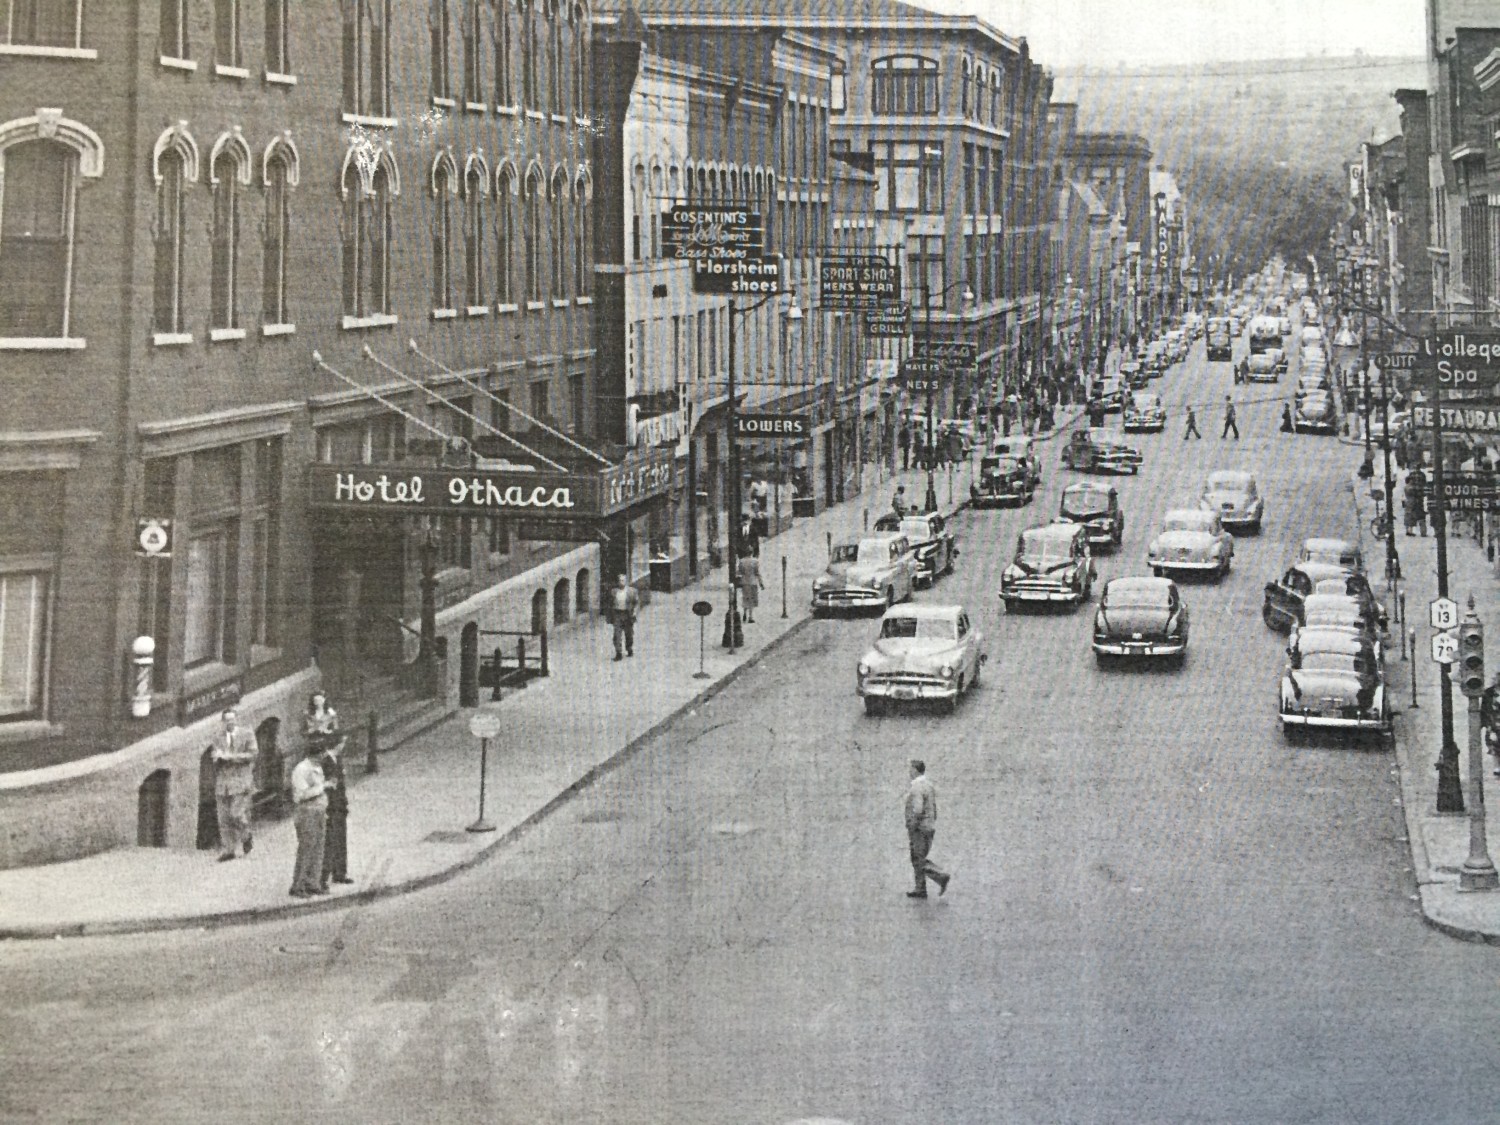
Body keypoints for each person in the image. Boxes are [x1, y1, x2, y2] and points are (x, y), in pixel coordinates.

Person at [211, 709, 257, 862]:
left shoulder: (247, 734)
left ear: (237, 719)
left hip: (240, 780)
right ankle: (228, 849)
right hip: (223, 782)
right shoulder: (218, 738)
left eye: (232, 719)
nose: (230, 722)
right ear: (223, 722)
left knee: (236, 814)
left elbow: (253, 754)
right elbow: (215, 755)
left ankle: (246, 835)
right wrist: (217, 757)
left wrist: (231, 757)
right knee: (223, 818)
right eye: (227, 720)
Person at [903, 759, 950, 899]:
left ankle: (941, 876)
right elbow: (934, 808)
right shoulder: (929, 785)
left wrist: (912, 824)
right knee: (919, 857)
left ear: (915, 770)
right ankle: (920, 889)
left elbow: (918, 809)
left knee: (918, 858)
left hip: (920, 828)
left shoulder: (916, 787)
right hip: (929, 826)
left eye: (910, 769)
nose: (909, 772)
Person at [288, 741, 328, 898]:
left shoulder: (316, 767)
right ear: (315, 755)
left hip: (318, 811)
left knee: (318, 847)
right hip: (306, 812)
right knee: (306, 848)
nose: (324, 757)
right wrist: (323, 787)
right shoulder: (301, 770)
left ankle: (313, 882)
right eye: (322, 754)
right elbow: (300, 795)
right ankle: (297, 885)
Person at [319, 731, 352, 888]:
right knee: (329, 842)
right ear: (337, 744)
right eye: (343, 743)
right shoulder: (325, 761)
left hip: (340, 806)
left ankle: (340, 873)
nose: (344, 746)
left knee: (340, 840)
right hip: (330, 807)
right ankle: (323, 876)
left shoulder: (337, 759)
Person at [610, 573, 641, 661]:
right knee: (617, 634)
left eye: (623, 580)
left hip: (628, 615)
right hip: (617, 614)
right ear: (617, 582)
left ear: (626, 581)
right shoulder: (614, 591)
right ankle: (618, 653)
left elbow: (637, 603)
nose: (621, 582)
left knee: (629, 634)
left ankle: (629, 649)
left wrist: (635, 612)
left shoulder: (632, 591)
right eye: (620, 580)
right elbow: (610, 603)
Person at [735, 553, 764, 624]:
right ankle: (750, 617)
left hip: (744, 582)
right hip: (753, 582)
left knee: (746, 598)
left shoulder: (741, 561)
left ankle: (745, 612)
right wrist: (761, 583)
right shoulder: (755, 561)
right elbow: (757, 573)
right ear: (751, 553)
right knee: (752, 599)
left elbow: (739, 572)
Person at [1404, 467, 1427, 537]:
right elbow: (1424, 486)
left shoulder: (1407, 486)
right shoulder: (1422, 475)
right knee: (1421, 516)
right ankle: (1423, 532)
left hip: (1410, 501)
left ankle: (1409, 530)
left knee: (1410, 515)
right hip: (1419, 499)